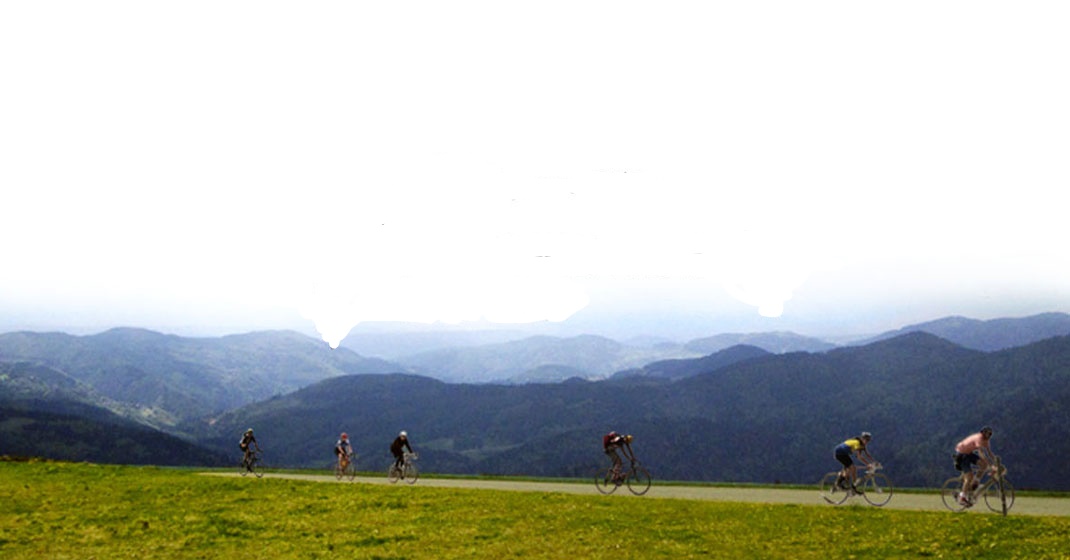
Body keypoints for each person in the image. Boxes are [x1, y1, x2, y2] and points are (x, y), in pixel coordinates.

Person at [954, 426, 996, 506]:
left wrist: (995, 462)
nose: (988, 436)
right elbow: (981, 454)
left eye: (989, 435)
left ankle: (975, 482)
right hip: (962, 455)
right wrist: (991, 467)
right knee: (969, 477)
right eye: (987, 434)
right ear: (983, 433)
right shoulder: (978, 438)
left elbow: (989, 453)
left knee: (984, 465)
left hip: (968, 453)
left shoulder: (986, 440)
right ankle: (962, 497)